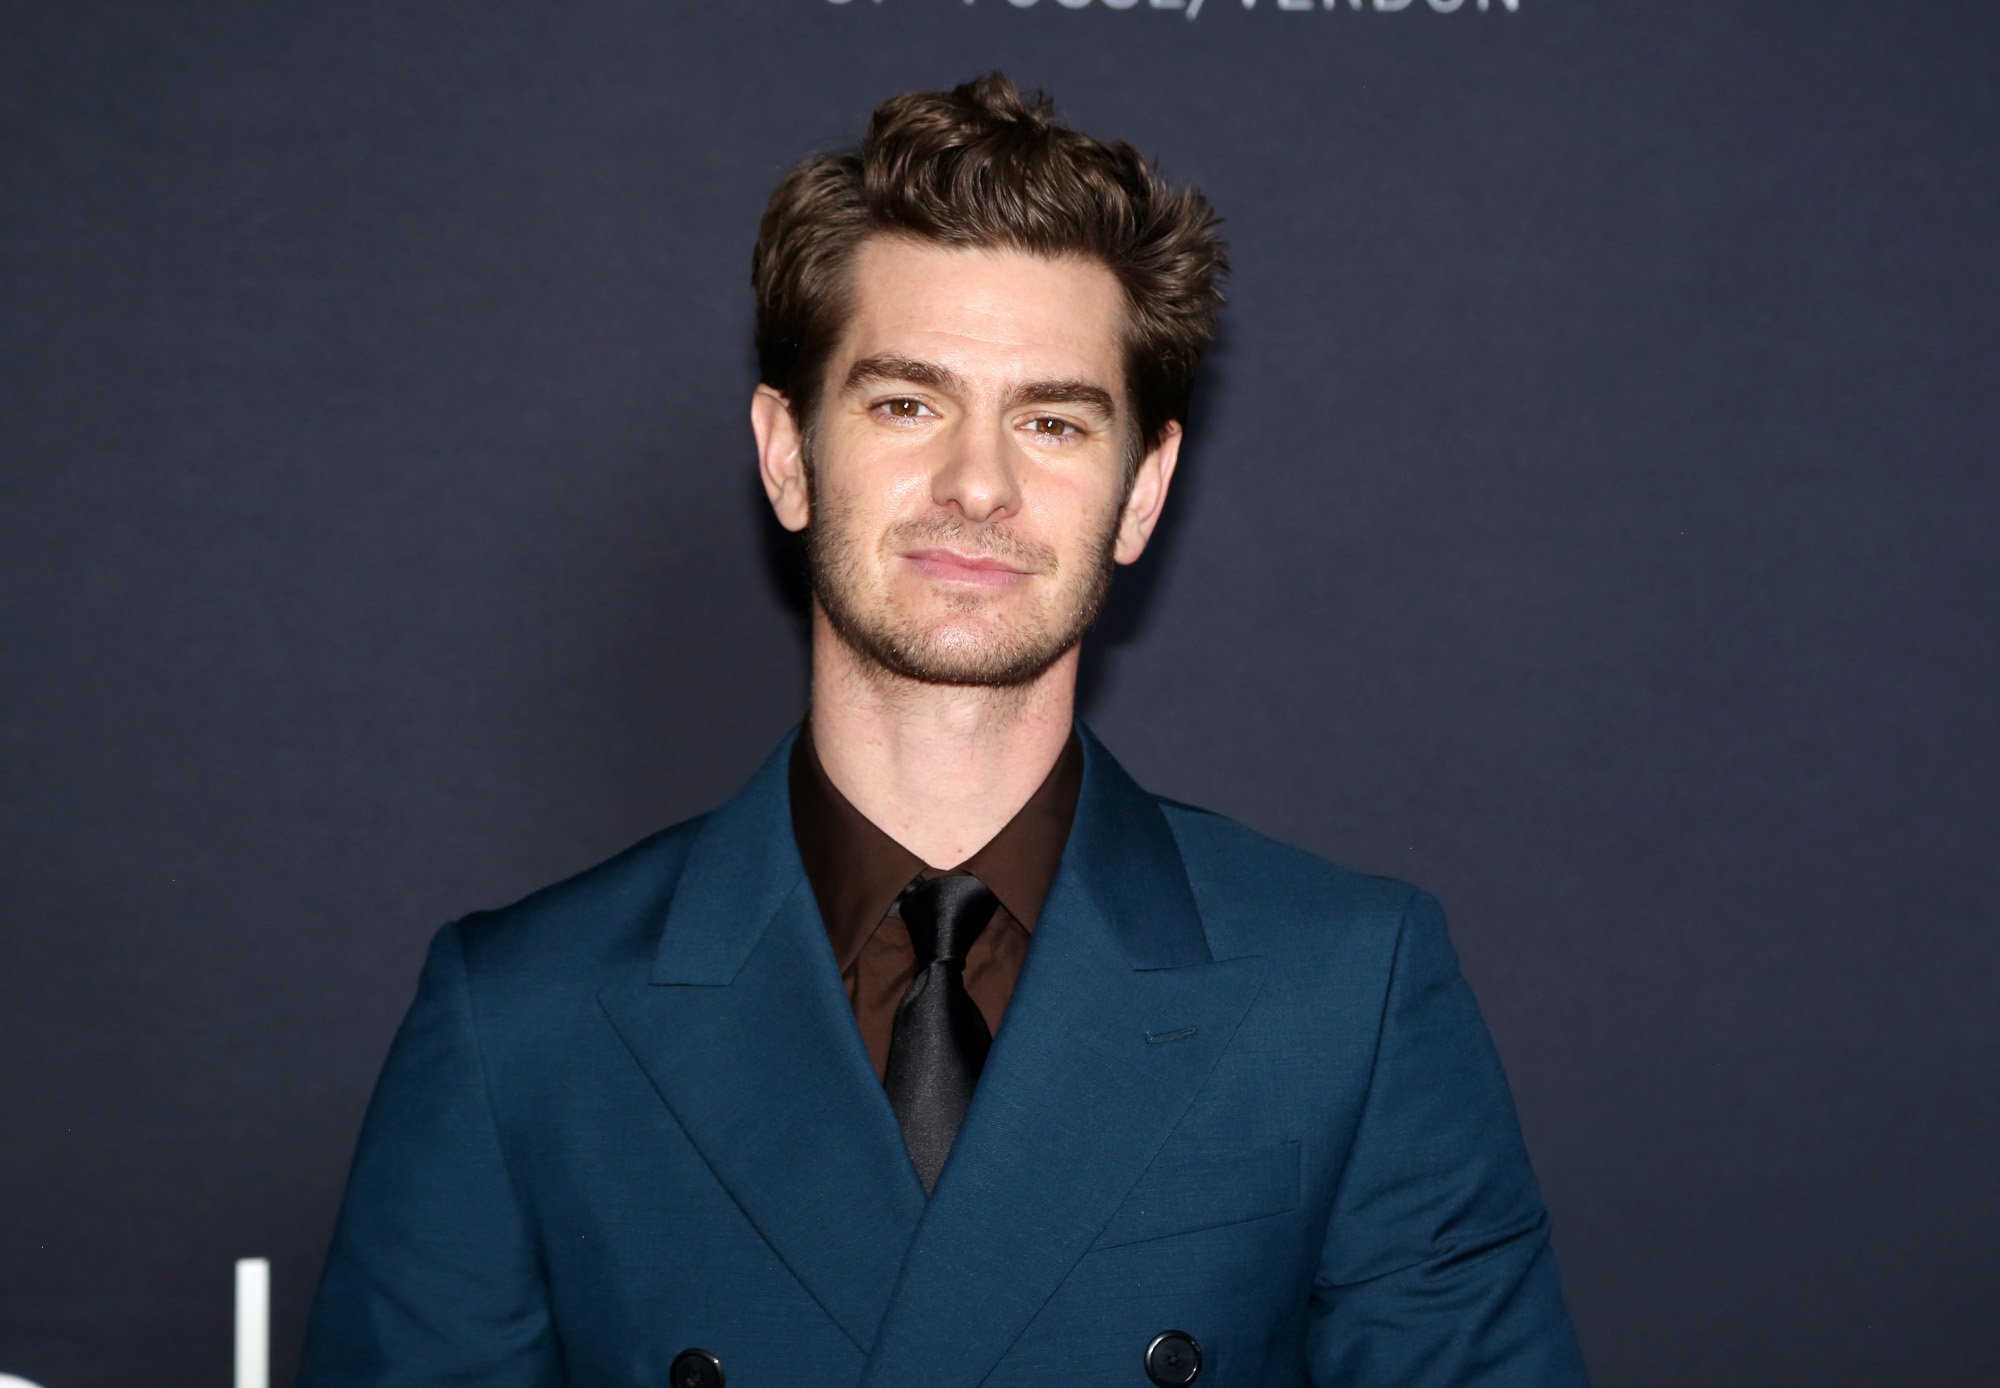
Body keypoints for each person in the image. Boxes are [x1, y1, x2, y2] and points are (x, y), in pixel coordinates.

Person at [300, 71, 1590, 1388]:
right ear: (788, 455)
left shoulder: (1344, 999)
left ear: (1142, 494)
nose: (978, 483)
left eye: (1051, 421)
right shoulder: (521, 1020)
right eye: (907, 404)